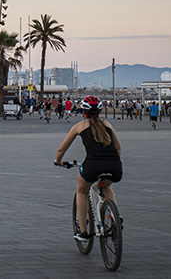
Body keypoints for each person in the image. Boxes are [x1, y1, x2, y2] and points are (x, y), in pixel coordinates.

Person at [53, 96, 122, 243]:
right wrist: (112, 161)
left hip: (93, 165)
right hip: (114, 165)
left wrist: (58, 161)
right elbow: (118, 148)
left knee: (82, 191)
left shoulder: (80, 126)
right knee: (105, 186)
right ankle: (115, 217)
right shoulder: (107, 124)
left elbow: (61, 150)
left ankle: (83, 231)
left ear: (84, 112)